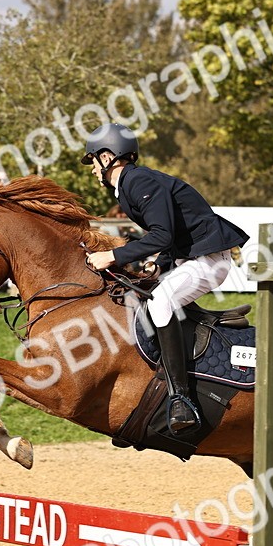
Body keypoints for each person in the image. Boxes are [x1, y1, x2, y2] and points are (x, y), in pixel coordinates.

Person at [82, 122, 248, 434]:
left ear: (107, 156)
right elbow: (172, 236)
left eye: (92, 160)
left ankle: (181, 399)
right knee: (144, 296)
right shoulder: (130, 185)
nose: (92, 169)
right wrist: (159, 266)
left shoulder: (138, 180)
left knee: (160, 303)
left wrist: (113, 256)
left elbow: (162, 234)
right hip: (189, 258)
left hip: (208, 260)